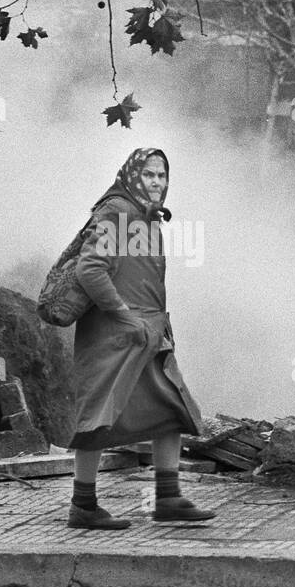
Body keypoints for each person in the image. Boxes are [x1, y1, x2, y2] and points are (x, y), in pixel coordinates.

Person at [62, 148, 215, 530]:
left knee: (170, 408)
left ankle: (168, 497)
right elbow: (90, 269)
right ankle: (83, 505)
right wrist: (124, 316)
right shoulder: (118, 212)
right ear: (133, 176)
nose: (157, 183)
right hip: (117, 335)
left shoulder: (143, 217)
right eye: (149, 175)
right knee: (98, 416)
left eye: (162, 176)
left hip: (148, 334)